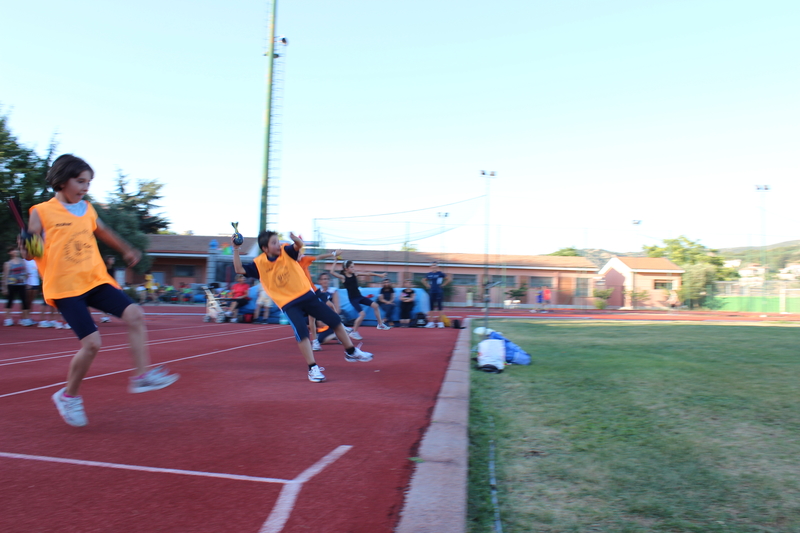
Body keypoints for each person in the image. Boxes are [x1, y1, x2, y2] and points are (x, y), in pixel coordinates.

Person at [22, 154, 179, 427]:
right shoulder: (41, 211)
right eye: (80, 181)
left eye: (89, 182)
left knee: (135, 315)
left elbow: (104, 231)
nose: (85, 187)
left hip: (95, 279)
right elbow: (29, 252)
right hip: (64, 286)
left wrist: (127, 248)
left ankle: (141, 377)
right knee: (92, 344)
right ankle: (68, 396)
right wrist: (28, 243)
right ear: (61, 180)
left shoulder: (88, 209)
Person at [232, 231, 374, 383]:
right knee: (302, 332)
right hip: (288, 303)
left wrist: (296, 241)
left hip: (306, 296)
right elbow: (239, 269)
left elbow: (298, 246)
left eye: (278, 241)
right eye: (274, 243)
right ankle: (313, 368)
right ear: (265, 248)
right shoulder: (259, 264)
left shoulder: (286, 251)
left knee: (334, 319)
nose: (278, 244)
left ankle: (351, 351)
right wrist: (236, 248)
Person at [329, 258, 390, 340]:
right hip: (353, 299)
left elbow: (368, 274)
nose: (353, 269)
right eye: (351, 267)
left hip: (359, 297)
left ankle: (380, 324)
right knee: (362, 314)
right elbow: (332, 272)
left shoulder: (355, 274)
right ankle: (354, 332)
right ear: (346, 269)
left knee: (375, 305)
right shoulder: (343, 277)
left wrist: (380, 275)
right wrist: (335, 261)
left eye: (353, 267)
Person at [3, 247, 30, 326]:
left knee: (24, 301)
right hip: (11, 285)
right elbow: (5, 276)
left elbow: (26, 273)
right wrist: (4, 288)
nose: (15, 251)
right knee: (10, 301)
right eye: (13, 250)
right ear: (9, 253)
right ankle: (8, 319)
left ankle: (25, 319)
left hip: (21, 285)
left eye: (16, 250)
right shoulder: (8, 263)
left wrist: (27, 282)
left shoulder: (23, 262)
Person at [421, 261, 450, 328]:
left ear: (437, 266)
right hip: (431, 292)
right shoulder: (429, 274)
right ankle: (431, 323)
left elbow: (448, 279)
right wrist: (427, 285)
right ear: (431, 267)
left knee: (440, 307)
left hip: (439, 291)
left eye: (435, 265)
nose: (434, 266)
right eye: (433, 265)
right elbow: (423, 280)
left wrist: (443, 285)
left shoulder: (440, 273)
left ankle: (440, 323)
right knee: (431, 308)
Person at [23, 258, 40, 327]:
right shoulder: (24, 261)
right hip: (28, 283)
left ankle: (29, 317)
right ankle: (24, 318)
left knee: (31, 301)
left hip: (35, 282)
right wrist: (26, 283)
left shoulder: (37, 260)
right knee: (26, 301)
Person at [100, 255, 116, 322]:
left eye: (113, 259)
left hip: (110, 285)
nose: (113, 261)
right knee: (104, 301)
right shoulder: (103, 268)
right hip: (103, 285)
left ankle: (105, 316)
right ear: (107, 260)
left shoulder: (112, 269)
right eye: (111, 259)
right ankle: (104, 316)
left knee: (109, 301)